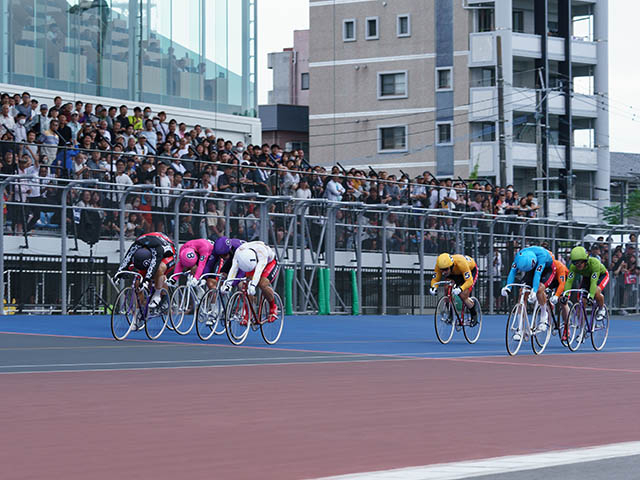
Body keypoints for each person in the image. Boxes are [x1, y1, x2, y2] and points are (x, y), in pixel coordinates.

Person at [117, 232, 176, 325]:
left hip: (167, 255)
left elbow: (154, 265)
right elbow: (127, 258)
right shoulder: (136, 245)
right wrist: (119, 272)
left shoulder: (157, 249)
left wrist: (147, 280)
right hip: (148, 252)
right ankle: (139, 313)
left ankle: (159, 295)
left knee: (159, 270)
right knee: (137, 283)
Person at [501, 246, 555, 337]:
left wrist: (533, 291)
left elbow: (537, 274)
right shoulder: (519, 257)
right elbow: (512, 272)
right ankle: (520, 329)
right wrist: (508, 287)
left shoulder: (542, 257)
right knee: (522, 291)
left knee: (539, 289)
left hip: (547, 268)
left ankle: (543, 316)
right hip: (531, 268)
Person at [222, 240, 279, 322]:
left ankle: (273, 307)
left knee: (262, 284)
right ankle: (248, 313)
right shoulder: (239, 252)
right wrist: (228, 284)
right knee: (245, 285)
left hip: (269, 263)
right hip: (250, 264)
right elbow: (233, 269)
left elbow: (259, 271)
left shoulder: (262, 252)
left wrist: (253, 285)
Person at [561, 246, 609, 322]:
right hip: (587, 277)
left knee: (596, 292)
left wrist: (591, 296)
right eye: (575, 262)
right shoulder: (573, 267)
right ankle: (582, 328)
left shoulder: (594, 263)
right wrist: (566, 295)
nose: (578, 265)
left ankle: (601, 308)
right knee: (581, 300)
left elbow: (593, 282)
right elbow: (569, 281)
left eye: (581, 262)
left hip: (601, 275)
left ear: (586, 260)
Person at [429, 253, 479, 322]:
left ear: (451, 265)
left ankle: (474, 315)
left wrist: (460, 289)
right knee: (446, 289)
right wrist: (433, 287)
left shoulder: (461, 263)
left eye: (446, 269)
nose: (444, 272)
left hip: (469, 271)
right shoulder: (439, 265)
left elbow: (469, 281)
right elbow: (435, 279)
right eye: (442, 270)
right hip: (453, 274)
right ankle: (450, 315)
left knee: (463, 295)